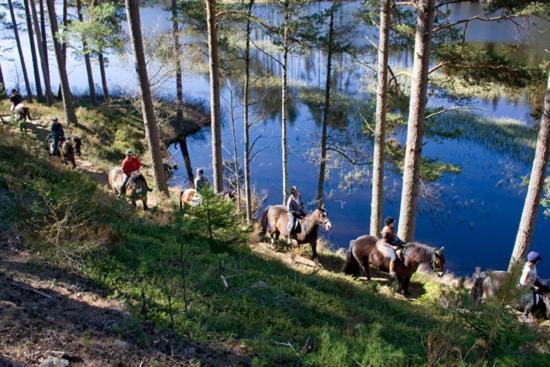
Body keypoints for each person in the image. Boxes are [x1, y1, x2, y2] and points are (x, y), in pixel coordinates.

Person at [519, 251, 546, 319]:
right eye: (538, 260)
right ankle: (525, 314)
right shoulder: (527, 270)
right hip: (525, 285)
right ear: (535, 261)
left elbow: (534, 275)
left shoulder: (533, 265)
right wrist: (534, 286)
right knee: (531, 302)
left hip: (532, 281)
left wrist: (540, 280)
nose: (538, 262)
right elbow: (525, 281)